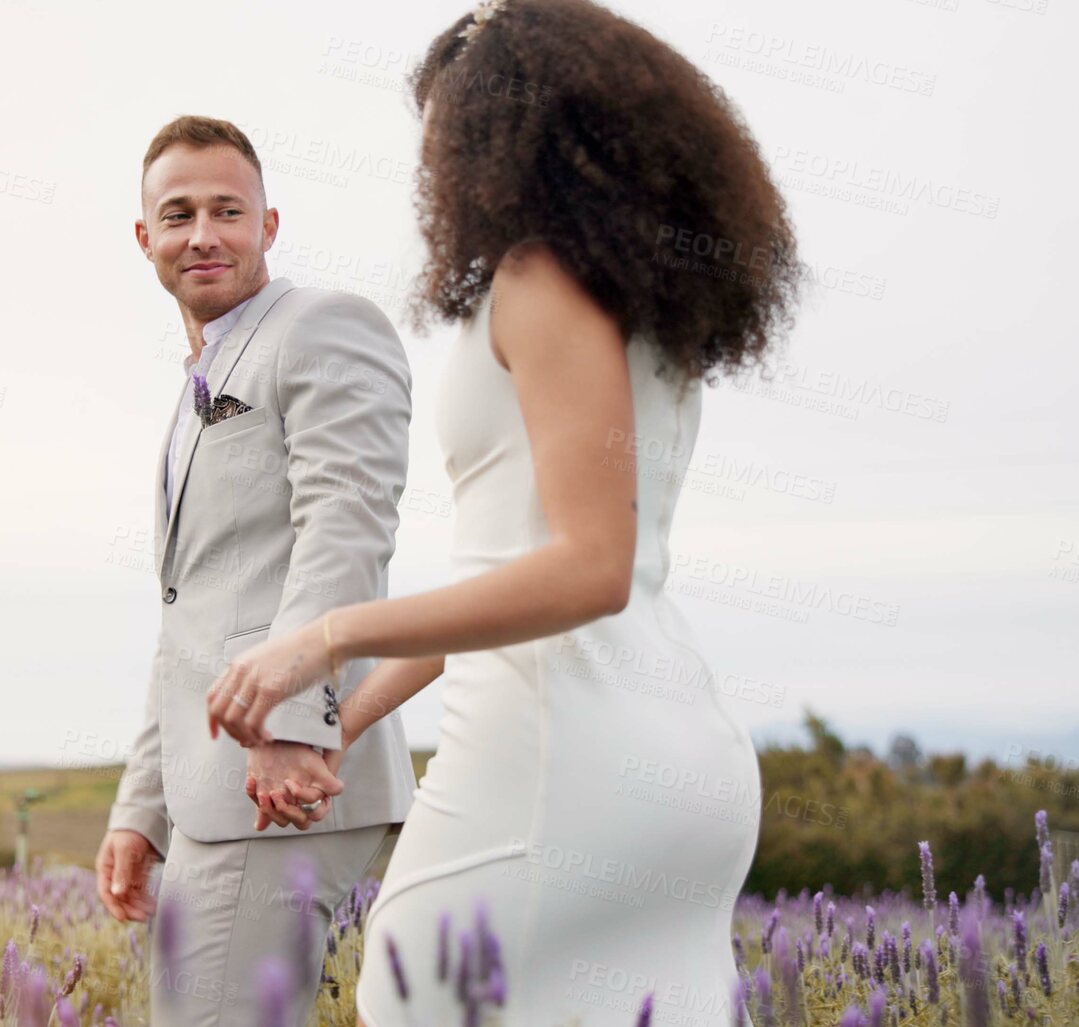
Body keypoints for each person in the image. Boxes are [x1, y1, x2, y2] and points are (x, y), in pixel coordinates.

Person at [202, 1, 803, 1023]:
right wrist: (345, 719)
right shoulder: (645, 309)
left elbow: (588, 568)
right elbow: (520, 581)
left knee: (414, 992)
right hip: (672, 753)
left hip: (559, 756)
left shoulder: (540, 279)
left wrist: (322, 636)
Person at [96, 115, 420, 1027]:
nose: (202, 234)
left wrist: (287, 722)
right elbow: (192, 616)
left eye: (226, 210)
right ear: (144, 238)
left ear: (268, 225)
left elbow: (345, 526)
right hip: (217, 784)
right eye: (178, 213)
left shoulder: (322, 327)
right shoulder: (195, 388)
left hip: (278, 777)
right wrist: (140, 810)